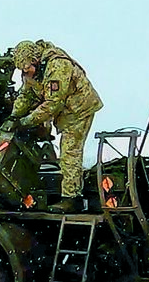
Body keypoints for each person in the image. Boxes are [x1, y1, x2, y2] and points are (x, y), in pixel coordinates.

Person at [7, 40, 103, 213]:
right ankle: (69, 190)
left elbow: (52, 104)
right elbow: (26, 94)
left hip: (79, 109)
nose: (25, 72)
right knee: (65, 152)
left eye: (27, 67)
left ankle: (71, 199)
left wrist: (25, 122)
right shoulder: (31, 71)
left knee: (70, 152)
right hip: (64, 111)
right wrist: (14, 116)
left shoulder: (58, 66)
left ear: (35, 60)